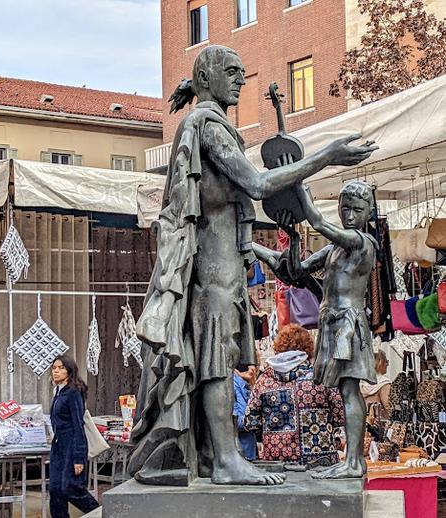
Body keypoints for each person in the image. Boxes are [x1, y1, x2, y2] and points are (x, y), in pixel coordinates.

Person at [128, 44, 377, 486]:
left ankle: (211, 456)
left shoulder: (214, 126)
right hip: (212, 266)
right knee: (215, 360)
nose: (242, 80)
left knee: (217, 357)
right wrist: (324, 157)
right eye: (233, 72)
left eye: (243, 71)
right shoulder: (209, 126)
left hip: (220, 264)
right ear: (206, 79)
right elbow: (258, 183)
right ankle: (225, 459)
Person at [268, 181, 378, 479]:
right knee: (344, 390)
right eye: (345, 209)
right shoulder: (333, 249)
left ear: (369, 212)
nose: (350, 215)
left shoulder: (362, 242)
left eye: (357, 210)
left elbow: (316, 221)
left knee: (350, 388)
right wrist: (290, 240)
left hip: (348, 324)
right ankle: (351, 460)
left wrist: (298, 183)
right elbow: (298, 272)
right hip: (331, 321)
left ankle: (354, 462)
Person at [244, 323, 344, 466]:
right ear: (308, 348)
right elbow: (341, 415)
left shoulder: (264, 380)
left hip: (277, 462)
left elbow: (250, 423)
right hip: (319, 461)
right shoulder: (321, 378)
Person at [49, 355, 99, 518]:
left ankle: (101, 513)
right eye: (54, 368)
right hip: (58, 447)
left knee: (71, 488)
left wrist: (78, 458)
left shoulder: (73, 392)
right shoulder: (58, 391)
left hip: (72, 446)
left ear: (69, 371)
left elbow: (78, 425)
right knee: (56, 490)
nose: (56, 371)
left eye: (61, 368)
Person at [233, 366, 258, 461]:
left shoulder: (244, 383)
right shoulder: (235, 384)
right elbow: (237, 423)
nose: (253, 370)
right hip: (242, 453)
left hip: (247, 449)